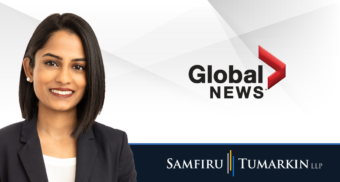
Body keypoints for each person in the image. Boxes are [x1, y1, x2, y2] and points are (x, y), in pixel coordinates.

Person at [0, 13, 137, 182]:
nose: (63, 78)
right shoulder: (2, 145)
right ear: (29, 69)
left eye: (78, 66)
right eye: (52, 63)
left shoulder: (115, 146)